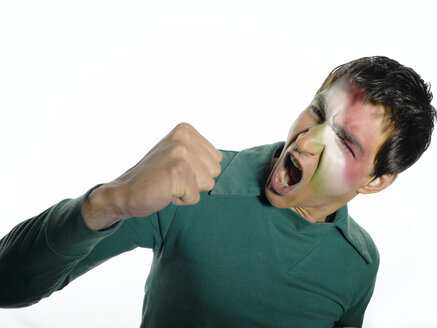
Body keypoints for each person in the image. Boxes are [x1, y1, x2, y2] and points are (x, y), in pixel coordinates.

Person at [0, 56, 435, 327]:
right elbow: (7, 285)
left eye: (343, 142)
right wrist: (108, 200)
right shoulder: (189, 185)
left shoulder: (360, 262)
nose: (304, 142)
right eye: (317, 112)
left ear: (375, 180)